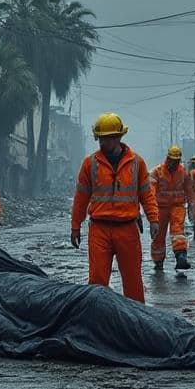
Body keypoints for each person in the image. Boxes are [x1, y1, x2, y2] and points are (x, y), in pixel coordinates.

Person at [70, 112, 158, 303]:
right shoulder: (90, 164)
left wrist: (154, 219)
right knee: (97, 281)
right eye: (100, 138)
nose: (103, 143)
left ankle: (136, 320)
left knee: (133, 280)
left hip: (127, 228)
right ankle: (98, 321)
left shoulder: (137, 163)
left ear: (118, 137)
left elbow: (146, 195)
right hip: (99, 229)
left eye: (108, 139)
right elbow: (81, 198)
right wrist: (75, 225)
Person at [149, 146, 192, 273]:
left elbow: (189, 188)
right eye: (173, 160)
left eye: (177, 160)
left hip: (177, 206)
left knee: (178, 231)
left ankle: (181, 256)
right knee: (158, 236)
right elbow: (150, 192)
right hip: (160, 208)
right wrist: (151, 210)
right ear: (167, 158)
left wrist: (191, 204)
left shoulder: (183, 171)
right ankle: (158, 261)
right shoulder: (156, 172)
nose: (175, 163)